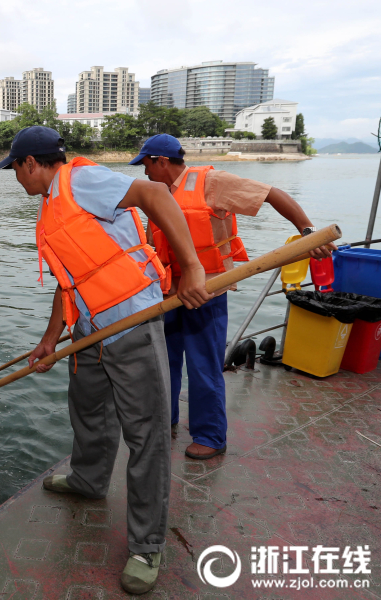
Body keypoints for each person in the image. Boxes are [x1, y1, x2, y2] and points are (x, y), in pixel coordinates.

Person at [0, 126, 212, 594]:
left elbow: (155, 193)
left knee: (145, 436)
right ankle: (90, 480)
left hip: (132, 323)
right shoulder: (52, 204)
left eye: (13, 168)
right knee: (87, 409)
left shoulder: (80, 181)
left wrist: (193, 267)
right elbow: (70, 278)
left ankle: (147, 545)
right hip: (90, 330)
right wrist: (50, 339)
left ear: (30, 163)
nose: (14, 178)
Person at [129, 134, 333, 460]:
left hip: (206, 291)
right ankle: (163, 419)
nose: (144, 172)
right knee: (161, 362)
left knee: (203, 364)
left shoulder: (212, 182)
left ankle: (210, 435)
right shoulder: (157, 193)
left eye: (146, 165)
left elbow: (271, 194)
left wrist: (308, 231)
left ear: (161, 161)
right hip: (167, 291)